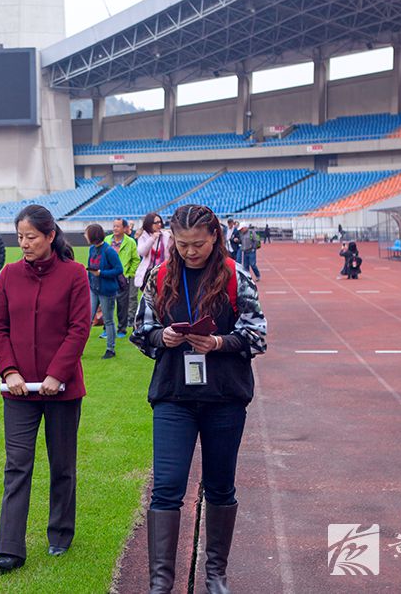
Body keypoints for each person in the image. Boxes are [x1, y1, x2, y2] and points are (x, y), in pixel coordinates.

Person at [130, 204, 267, 594]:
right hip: (173, 396)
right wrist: (162, 337)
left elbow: (257, 335)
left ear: (215, 238)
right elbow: (141, 331)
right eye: (182, 244)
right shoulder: (160, 277)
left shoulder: (236, 276)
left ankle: (215, 575)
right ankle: (160, 582)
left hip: (224, 398)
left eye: (198, 245)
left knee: (220, 486)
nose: (190, 252)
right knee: (166, 488)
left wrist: (219, 342)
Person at [0, 205, 91, 572]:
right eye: (20, 237)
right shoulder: (9, 274)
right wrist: (9, 371)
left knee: (62, 464)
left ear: (50, 236)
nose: (24, 244)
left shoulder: (75, 274)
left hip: (61, 390)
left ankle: (60, 534)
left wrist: (57, 374)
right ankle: (10, 548)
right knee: (17, 465)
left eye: (31, 237)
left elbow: (79, 328)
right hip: (19, 391)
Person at [85, 224, 123, 360]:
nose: (85, 236)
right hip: (94, 289)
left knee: (108, 320)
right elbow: (91, 268)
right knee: (87, 319)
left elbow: (119, 269)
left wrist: (101, 273)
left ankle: (110, 349)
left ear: (93, 235)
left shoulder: (109, 251)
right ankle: (78, 348)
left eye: (86, 233)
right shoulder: (92, 249)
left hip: (106, 291)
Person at [105, 218, 139, 338]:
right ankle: (107, 329)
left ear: (124, 228)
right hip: (108, 276)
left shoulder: (130, 242)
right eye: (114, 226)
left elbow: (135, 259)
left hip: (122, 277)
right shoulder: (107, 240)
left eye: (118, 226)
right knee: (107, 304)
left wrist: (129, 273)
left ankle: (121, 329)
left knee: (122, 305)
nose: (115, 228)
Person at [135, 213, 171, 292]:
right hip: (150, 272)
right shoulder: (143, 236)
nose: (159, 225)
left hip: (164, 271)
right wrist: (152, 239)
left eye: (160, 222)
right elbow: (142, 252)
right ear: (149, 224)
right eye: (156, 223)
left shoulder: (165, 235)